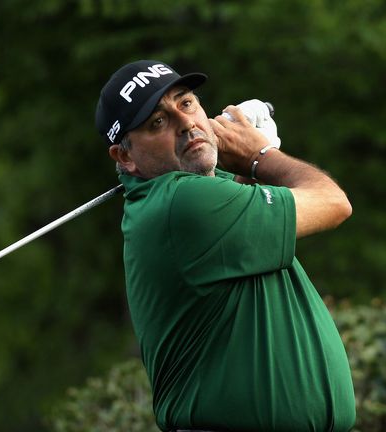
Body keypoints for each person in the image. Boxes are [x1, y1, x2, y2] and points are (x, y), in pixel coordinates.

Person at [95, 60, 356, 432]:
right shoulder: (180, 203)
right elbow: (334, 203)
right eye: (157, 122)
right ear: (125, 157)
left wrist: (241, 164)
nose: (185, 123)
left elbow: (231, 224)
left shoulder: (182, 200)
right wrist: (261, 155)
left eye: (185, 104)